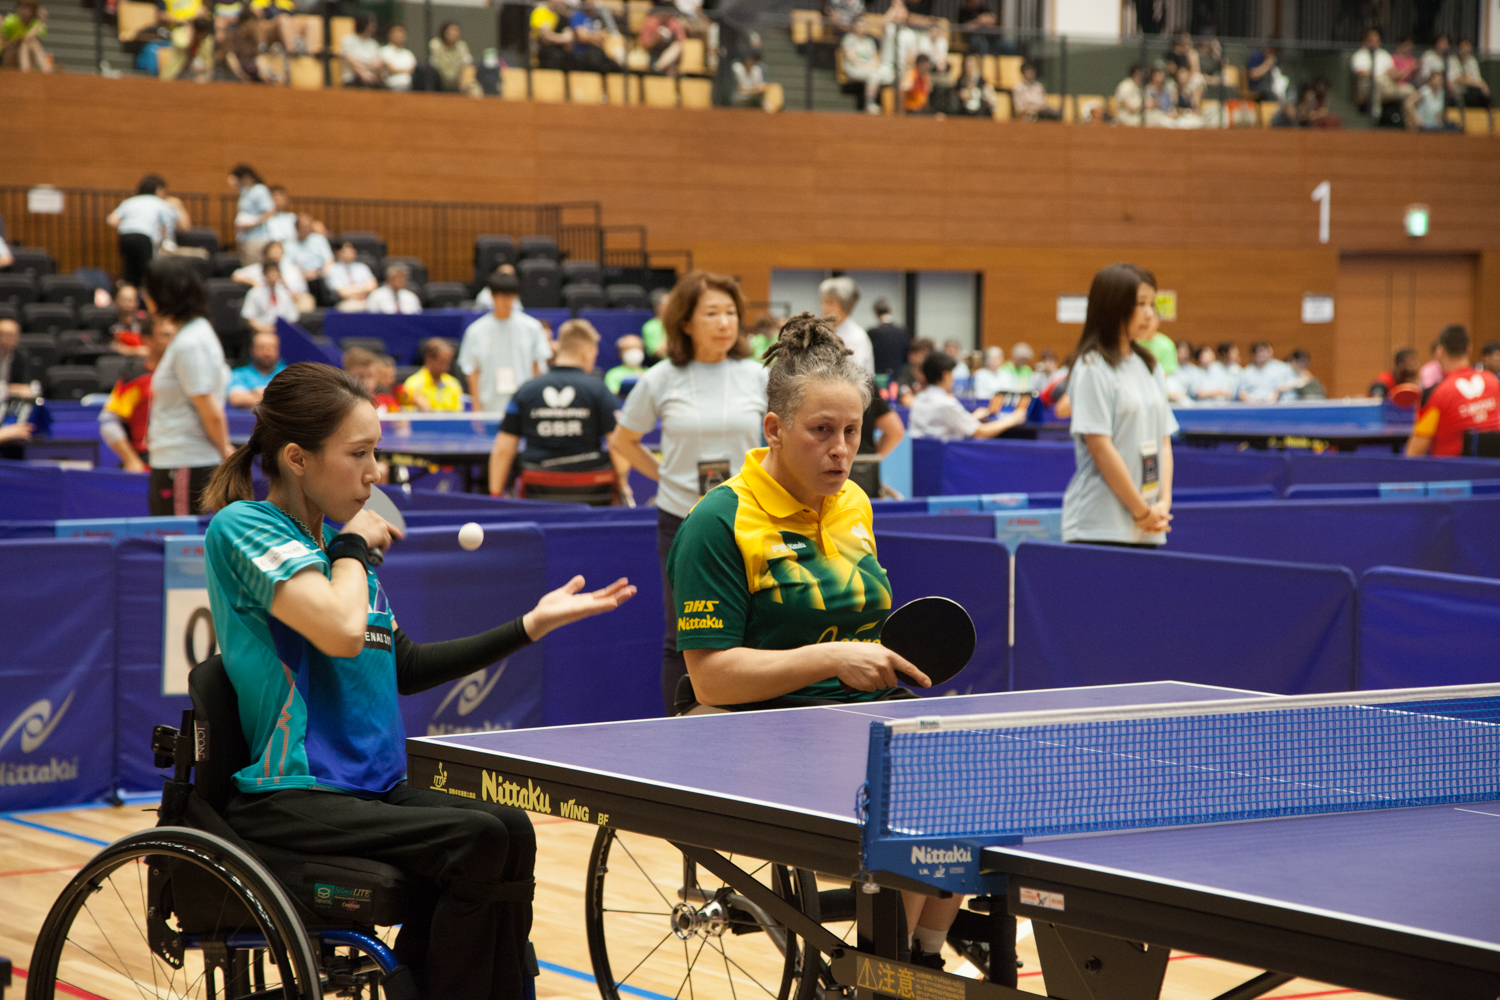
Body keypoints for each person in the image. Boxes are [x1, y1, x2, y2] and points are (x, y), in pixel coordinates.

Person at [198, 361, 633, 1000]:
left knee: (509, 829)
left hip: (371, 789)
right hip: (290, 792)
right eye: (360, 453)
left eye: (377, 452)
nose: (377, 473)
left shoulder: (342, 552)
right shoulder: (247, 530)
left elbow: (403, 666)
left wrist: (529, 626)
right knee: (477, 836)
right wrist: (353, 550)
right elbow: (340, 632)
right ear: (297, 457)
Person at [665, 314, 962, 967]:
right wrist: (831, 659)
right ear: (774, 429)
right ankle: (896, 968)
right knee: (910, 792)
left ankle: (920, 955)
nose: (841, 449)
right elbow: (710, 679)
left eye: (852, 431)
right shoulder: (717, 522)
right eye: (821, 431)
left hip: (859, 722)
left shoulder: (855, 503)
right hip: (766, 729)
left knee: (972, 774)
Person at [609, 270, 768, 714]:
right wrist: (665, 476)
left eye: (732, 313)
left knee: (752, 627)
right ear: (685, 322)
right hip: (681, 518)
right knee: (682, 634)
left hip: (748, 518)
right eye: (712, 313)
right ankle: (680, 725)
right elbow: (622, 440)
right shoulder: (661, 377)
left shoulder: (757, 376)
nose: (724, 322)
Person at [1061, 263, 1177, 548]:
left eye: (1152, 303)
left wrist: (1162, 502)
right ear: (1113, 307)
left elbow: (1163, 441)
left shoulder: (1149, 366)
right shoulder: (1092, 367)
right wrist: (1141, 511)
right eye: (1140, 304)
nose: (1151, 313)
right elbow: (1100, 448)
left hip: (1149, 524)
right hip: (1099, 527)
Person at [488, 320, 618, 497]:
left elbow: (503, 449)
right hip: (591, 492)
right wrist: (623, 484)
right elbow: (617, 444)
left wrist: (495, 493)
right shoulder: (599, 390)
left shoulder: (527, 389)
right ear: (586, 352)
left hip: (537, 491)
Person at [145, 256, 230, 516]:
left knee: (180, 550)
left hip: (185, 463)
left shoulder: (191, 342)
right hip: (178, 462)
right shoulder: (190, 336)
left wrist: (226, 452)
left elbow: (208, 407)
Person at [458, 271, 551, 415]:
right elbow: (473, 373)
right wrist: (476, 412)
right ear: (493, 296)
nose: (507, 302)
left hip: (524, 405)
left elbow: (537, 369)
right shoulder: (476, 331)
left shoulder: (532, 327)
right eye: (502, 296)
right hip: (490, 406)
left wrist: (537, 406)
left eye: (510, 296)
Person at [1406, 325, 1500, 457]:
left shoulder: (1437, 393)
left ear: (1440, 351)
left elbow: (1414, 452)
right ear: (1469, 349)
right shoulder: (1493, 382)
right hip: (1492, 474)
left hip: (1451, 474)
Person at [99, 319, 172, 473]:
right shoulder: (135, 379)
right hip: (147, 463)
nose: (173, 340)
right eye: (166, 335)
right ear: (148, 340)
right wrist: (130, 459)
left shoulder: (185, 376)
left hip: (182, 460)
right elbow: (108, 421)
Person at [909, 351, 1027, 441]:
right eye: (952, 374)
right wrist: (1012, 419)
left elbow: (942, 425)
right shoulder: (946, 403)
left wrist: (973, 417)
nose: (953, 378)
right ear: (945, 375)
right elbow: (981, 432)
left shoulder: (919, 399)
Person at [107, 175, 191, 288]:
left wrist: (130, 225)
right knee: (148, 271)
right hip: (144, 237)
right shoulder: (161, 203)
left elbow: (111, 220)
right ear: (159, 190)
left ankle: (128, 292)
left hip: (125, 236)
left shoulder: (130, 201)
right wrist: (179, 206)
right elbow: (182, 226)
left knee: (129, 270)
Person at [818, 276, 874, 376]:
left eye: (830, 302)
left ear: (845, 305)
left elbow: (851, 374)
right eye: (823, 301)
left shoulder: (857, 337)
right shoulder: (823, 331)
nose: (824, 307)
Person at [233, 240, 312, 310]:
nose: (276, 254)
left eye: (278, 251)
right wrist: (254, 282)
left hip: (290, 301)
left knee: (307, 300)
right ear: (267, 254)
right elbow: (236, 275)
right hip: (267, 301)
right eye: (273, 251)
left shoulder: (292, 269)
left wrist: (295, 295)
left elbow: (303, 291)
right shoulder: (259, 268)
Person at [840, 18, 893, 114]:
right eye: (859, 25)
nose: (861, 28)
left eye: (863, 25)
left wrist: (874, 65)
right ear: (854, 27)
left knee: (887, 74)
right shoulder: (849, 38)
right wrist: (866, 65)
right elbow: (851, 58)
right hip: (854, 68)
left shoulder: (869, 41)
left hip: (869, 68)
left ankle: (890, 105)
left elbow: (874, 58)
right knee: (874, 75)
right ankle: (869, 103)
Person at [228, 329, 287, 408]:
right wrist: (276, 397)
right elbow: (236, 399)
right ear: (252, 350)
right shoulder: (238, 374)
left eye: (272, 348)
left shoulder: (288, 374)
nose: (267, 353)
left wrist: (254, 394)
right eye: (262, 348)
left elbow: (295, 400)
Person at [230, 164, 275, 265]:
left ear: (246, 177)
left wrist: (252, 222)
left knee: (254, 268)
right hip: (244, 238)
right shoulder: (245, 191)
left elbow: (269, 212)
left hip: (256, 239)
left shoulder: (260, 190)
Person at [402, 338, 464, 412]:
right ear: (428, 359)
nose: (446, 367)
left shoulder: (453, 384)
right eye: (442, 362)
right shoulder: (412, 385)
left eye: (448, 363)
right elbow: (408, 416)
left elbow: (458, 416)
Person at [239, 262, 300, 335]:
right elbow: (249, 318)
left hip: (282, 331)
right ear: (265, 274)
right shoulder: (254, 293)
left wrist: (280, 329)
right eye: (271, 273)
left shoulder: (285, 293)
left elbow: (292, 317)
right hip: (261, 330)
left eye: (276, 273)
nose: (273, 276)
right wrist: (265, 329)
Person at [325, 242, 378, 312]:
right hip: (345, 301)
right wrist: (362, 289)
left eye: (352, 251)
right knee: (354, 307)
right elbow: (342, 293)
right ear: (338, 253)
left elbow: (373, 286)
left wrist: (354, 290)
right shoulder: (332, 270)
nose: (350, 254)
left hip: (366, 299)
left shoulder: (362, 267)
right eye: (346, 251)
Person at [1, 0, 52, 72]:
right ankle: (37, 70)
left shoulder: (36, 23)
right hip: (11, 55)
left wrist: (41, 21)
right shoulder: (10, 22)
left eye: (28, 9)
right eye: (22, 7)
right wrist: (17, 41)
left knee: (32, 43)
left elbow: (35, 41)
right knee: (25, 43)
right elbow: (3, 45)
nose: (24, 12)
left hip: (29, 55)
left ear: (34, 11)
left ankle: (33, 70)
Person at [429, 21, 479, 96]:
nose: (454, 33)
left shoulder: (462, 46)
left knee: (474, 87)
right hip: (441, 79)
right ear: (444, 32)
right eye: (451, 31)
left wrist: (464, 79)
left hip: (458, 80)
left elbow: (467, 64)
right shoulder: (436, 44)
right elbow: (434, 63)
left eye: (456, 31)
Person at [865, 298, 909, 381]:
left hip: (879, 379)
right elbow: (906, 356)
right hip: (899, 378)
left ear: (876, 312)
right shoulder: (902, 331)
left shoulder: (872, 333)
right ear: (890, 310)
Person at [1449, 39, 1491, 121]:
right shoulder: (1453, 60)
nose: (1465, 52)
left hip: (1471, 89)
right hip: (1457, 89)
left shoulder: (1472, 61)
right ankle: (1462, 121)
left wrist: (1484, 85)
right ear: (1459, 49)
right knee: (1458, 96)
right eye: (1463, 49)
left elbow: (1477, 78)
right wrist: (1468, 81)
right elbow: (1456, 78)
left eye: (1467, 50)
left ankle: (1490, 120)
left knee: (1485, 94)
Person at [0, 317, 38, 403]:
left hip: (11, 400)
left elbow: (25, 386)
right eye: (3, 335)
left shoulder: (22, 357)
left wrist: (8, 389)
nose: (7, 339)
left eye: (12, 336)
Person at [339, 13, 382, 86]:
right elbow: (352, 61)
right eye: (372, 24)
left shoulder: (373, 43)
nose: (374, 27)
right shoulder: (348, 40)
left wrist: (363, 64)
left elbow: (377, 63)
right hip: (353, 78)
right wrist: (363, 72)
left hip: (371, 77)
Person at [529, 0, 574, 70]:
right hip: (539, 48)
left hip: (557, 49)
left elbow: (569, 38)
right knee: (552, 55)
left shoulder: (562, 16)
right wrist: (562, 38)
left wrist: (554, 37)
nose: (559, 2)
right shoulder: (541, 11)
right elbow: (545, 36)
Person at [110, 284, 150, 357]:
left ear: (137, 302)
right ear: (116, 301)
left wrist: (126, 350)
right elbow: (109, 347)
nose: (127, 303)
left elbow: (149, 350)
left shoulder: (145, 324)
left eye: (131, 300)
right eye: (124, 299)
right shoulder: (109, 325)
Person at [955, 52, 995, 117]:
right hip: (964, 114)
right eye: (967, 66)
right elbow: (957, 95)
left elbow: (992, 103)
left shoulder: (983, 82)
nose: (969, 69)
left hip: (980, 115)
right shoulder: (961, 81)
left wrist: (974, 94)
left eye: (972, 66)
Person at [378, 23, 417, 91]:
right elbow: (391, 69)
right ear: (390, 34)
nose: (399, 35)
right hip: (389, 89)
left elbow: (412, 70)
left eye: (401, 32)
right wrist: (404, 70)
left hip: (408, 88)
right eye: (396, 32)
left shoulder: (408, 53)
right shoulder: (384, 51)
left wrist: (398, 70)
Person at [641, 287, 669, 359]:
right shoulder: (650, 327)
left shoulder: (682, 323)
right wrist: (671, 330)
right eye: (667, 304)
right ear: (657, 306)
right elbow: (659, 353)